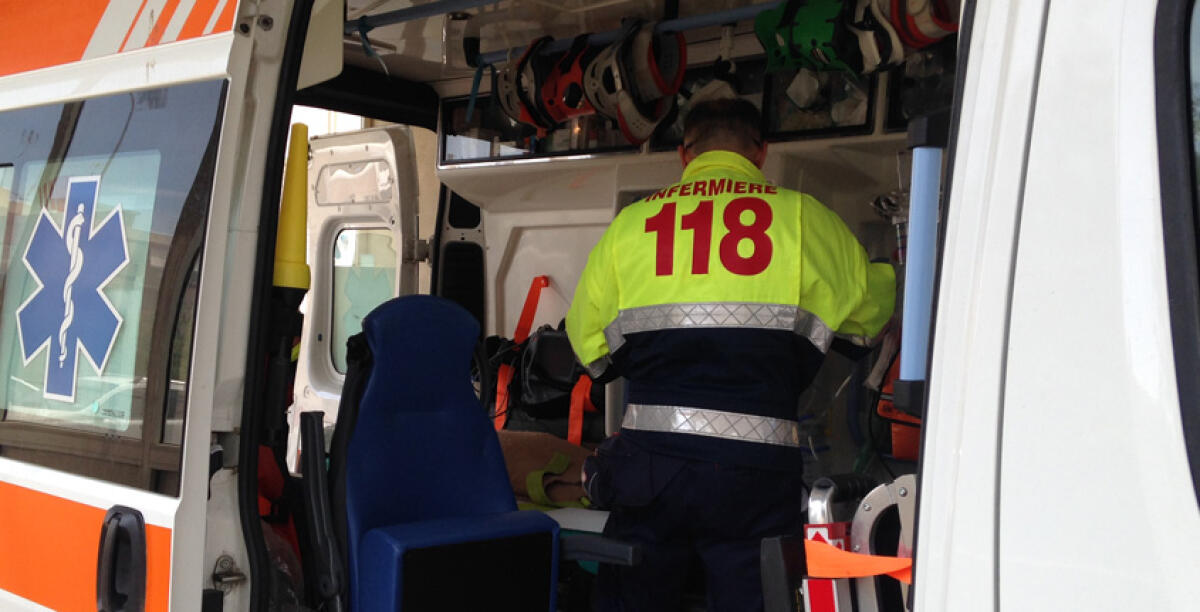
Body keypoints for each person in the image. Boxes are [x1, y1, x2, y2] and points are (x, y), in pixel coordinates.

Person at [564, 98, 895, 611]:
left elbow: (588, 344)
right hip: (755, 477)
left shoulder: (632, 225)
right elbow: (870, 315)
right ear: (761, 153)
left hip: (650, 471)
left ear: (684, 154)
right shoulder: (805, 219)